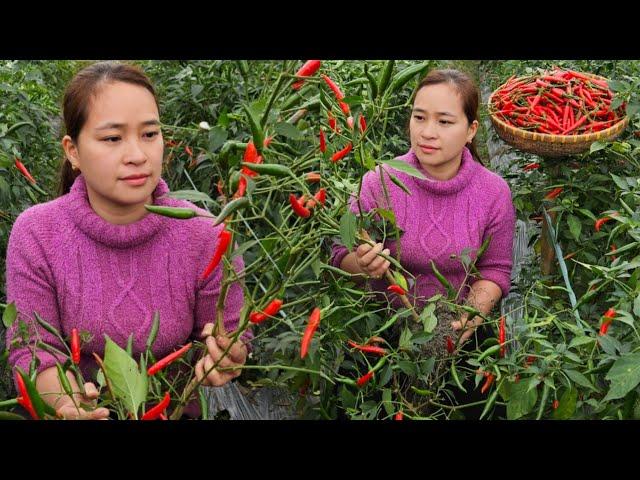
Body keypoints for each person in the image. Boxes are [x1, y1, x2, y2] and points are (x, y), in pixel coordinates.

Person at [5, 61, 250, 419]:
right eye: (112, 138)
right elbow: (34, 349)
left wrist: (226, 354)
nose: (138, 155)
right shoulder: (38, 233)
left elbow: (225, 337)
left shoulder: (208, 234)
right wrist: (67, 403)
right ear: (73, 151)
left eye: (150, 134)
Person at [331, 68, 515, 381]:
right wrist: (362, 263)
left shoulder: (492, 192)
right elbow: (339, 254)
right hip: (385, 334)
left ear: (471, 130)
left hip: (458, 333)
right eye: (419, 117)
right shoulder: (380, 182)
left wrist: (469, 317)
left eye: (444, 121)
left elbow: (494, 270)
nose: (427, 132)